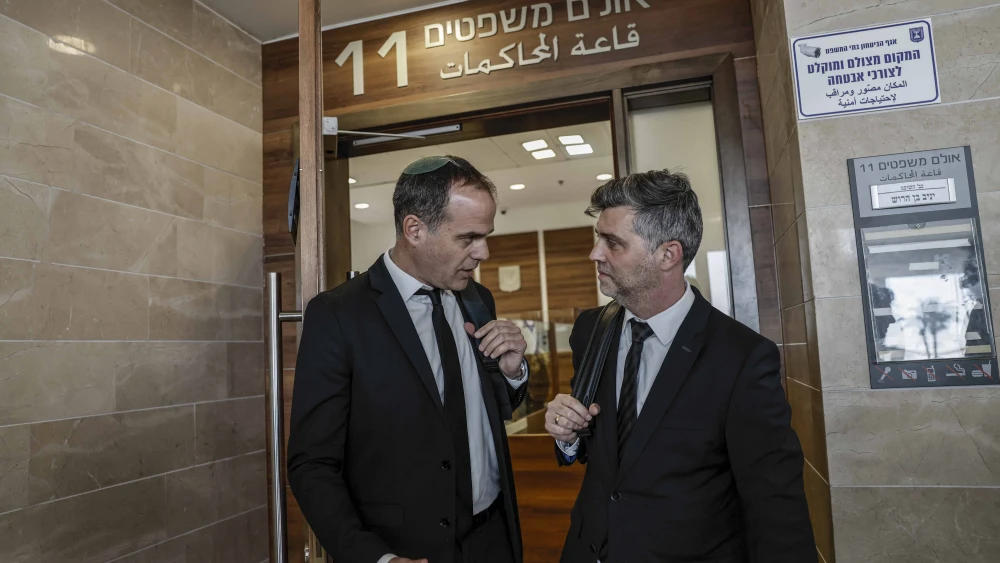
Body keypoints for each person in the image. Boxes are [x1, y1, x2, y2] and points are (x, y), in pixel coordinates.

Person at [545, 169, 816, 562]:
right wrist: (568, 434)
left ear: (668, 254)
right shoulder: (590, 330)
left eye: (612, 243)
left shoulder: (741, 356)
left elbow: (774, 504)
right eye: (598, 238)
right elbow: (601, 449)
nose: (595, 254)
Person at [288, 156, 529, 563]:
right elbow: (312, 464)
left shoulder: (478, 299)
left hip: (493, 539)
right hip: (404, 548)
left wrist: (513, 372)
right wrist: (375, 558)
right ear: (414, 229)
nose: (483, 252)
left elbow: (485, 409)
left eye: (485, 236)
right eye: (468, 238)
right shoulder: (339, 314)